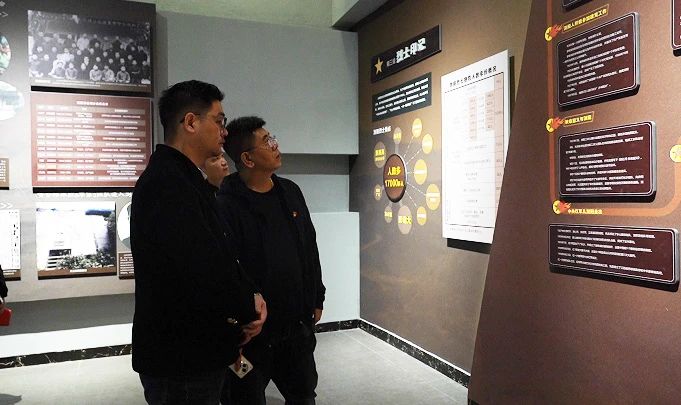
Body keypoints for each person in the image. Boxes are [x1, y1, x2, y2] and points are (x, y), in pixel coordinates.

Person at [131, 81, 267, 405]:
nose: (224, 131)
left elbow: (219, 252)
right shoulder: (168, 185)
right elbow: (201, 269)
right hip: (181, 360)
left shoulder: (185, 179)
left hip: (192, 352)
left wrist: (250, 296)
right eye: (219, 121)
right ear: (191, 122)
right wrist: (247, 308)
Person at [217, 116, 325, 405]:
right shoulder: (225, 203)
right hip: (252, 335)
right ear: (247, 159)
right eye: (267, 142)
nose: (275, 145)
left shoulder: (290, 192)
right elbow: (225, 267)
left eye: (272, 138)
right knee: (245, 399)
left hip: (295, 327)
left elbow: (309, 247)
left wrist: (317, 296)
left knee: (303, 395)